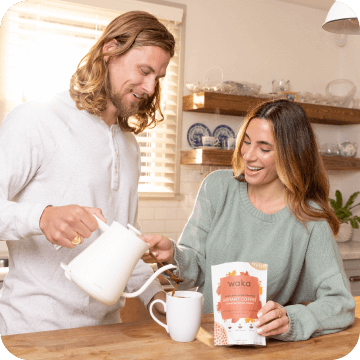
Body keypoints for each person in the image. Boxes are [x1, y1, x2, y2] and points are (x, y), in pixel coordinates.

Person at [0, 11, 175, 335]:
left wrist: (158, 299)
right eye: (144, 70)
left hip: (106, 335)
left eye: (158, 77)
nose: (151, 87)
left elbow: (123, 242)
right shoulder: (37, 118)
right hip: (30, 334)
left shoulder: (129, 145)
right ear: (110, 50)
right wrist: (42, 217)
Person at [142, 99, 356, 341]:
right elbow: (194, 270)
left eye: (264, 148)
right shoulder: (217, 188)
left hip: (268, 352)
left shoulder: (310, 219)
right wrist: (172, 254)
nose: (249, 155)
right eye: (246, 142)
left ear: (291, 155)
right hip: (206, 345)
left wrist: (291, 319)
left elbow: (341, 303)